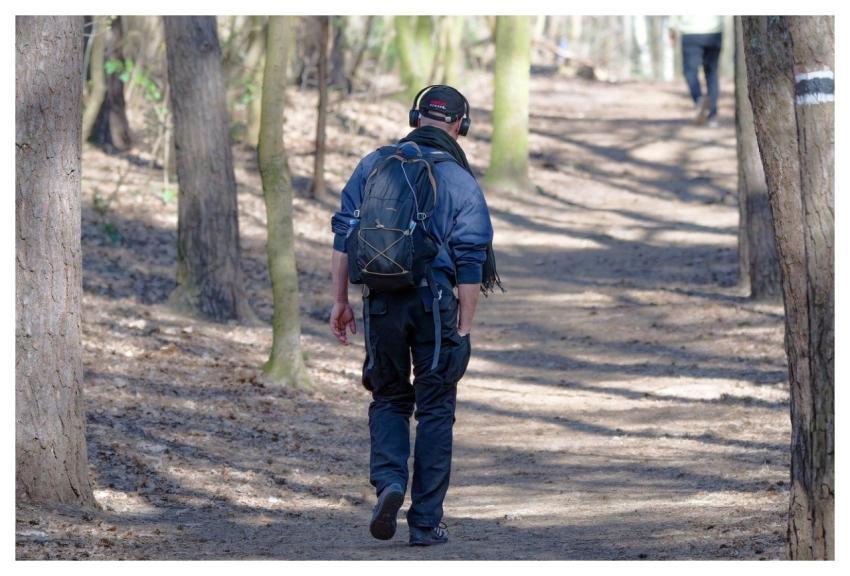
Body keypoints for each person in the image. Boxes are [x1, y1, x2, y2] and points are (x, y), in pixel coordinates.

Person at [328, 85, 496, 546]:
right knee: (436, 408)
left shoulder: (374, 164)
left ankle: (389, 483)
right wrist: (463, 326)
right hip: (435, 305)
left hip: (381, 301)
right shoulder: (459, 179)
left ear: (414, 117)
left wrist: (340, 300)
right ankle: (425, 523)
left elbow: (345, 233)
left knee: (388, 398)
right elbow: (470, 257)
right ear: (461, 125)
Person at [669, 16, 725, 127]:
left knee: (689, 71)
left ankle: (699, 99)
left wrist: (672, 30)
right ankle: (712, 116)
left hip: (691, 32)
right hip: (715, 31)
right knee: (711, 72)